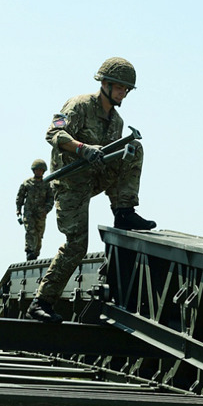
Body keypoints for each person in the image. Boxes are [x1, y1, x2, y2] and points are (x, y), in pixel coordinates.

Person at [27, 57, 156, 324]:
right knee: (77, 245)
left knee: (133, 150)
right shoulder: (79, 105)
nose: (123, 93)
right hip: (70, 183)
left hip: (95, 177)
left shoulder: (116, 121)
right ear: (105, 84)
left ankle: (124, 211)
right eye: (119, 87)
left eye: (126, 89)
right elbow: (54, 133)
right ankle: (41, 302)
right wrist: (82, 148)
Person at [16, 159, 54, 261]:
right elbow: (20, 197)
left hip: (41, 213)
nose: (39, 172)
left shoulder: (47, 184)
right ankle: (29, 251)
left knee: (39, 234)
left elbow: (51, 199)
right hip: (29, 212)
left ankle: (35, 253)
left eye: (41, 170)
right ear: (34, 170)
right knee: (30, 231)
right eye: (37, 170)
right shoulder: (27, 183)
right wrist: (18, 209)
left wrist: (46, 210)